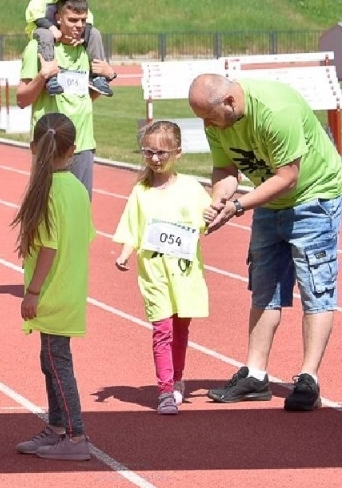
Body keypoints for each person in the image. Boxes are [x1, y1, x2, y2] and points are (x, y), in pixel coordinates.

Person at [190, 73, 342, 411]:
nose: (208, 125)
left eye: (210, 117)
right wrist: (218, 200)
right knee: (264, 286)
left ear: (229, 101)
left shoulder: (275, 110)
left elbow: (288, 177)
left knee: (316, 288)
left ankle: (309, 378)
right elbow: (225, 170)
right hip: (269, 202)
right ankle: (255, 374)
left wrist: (237, 207)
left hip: (313, 196)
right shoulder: (216, 119)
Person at [10, 113, 96, 461]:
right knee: (51, 360)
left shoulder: (48, 192)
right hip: (69, 287)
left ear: (34, 147)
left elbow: (49, 246)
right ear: (73, 150)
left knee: (58, 364)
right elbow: (83, 237)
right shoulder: (76, 188)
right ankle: (57, 428)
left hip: (52, 292)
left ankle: (76, 436)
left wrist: (33, 291)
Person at [114, 121, 210, 415]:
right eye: (148, 152)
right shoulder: (141, 192)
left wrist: (221, 210)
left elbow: (208, 220)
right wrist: (125, 253)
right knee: (162, 330)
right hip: (154, 274)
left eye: (161, 153)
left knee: (180, 330)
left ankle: (177, 378)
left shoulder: (191, 188)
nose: (155, 159)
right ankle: (165, 391)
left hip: (184, 273)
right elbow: (132, 227)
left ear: (177, 153)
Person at [16, 0, 101, 196]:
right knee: (47, 208)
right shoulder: (38, 48)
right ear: (58, 18)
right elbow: (21, 99)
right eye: (72, 20)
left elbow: (88, 95)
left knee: (80, 207)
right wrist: (43, 76)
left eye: (83, 20)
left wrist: (108, 75)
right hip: (50, 143)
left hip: (83, 144)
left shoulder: (85, 48)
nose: (79, 26)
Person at [24, 0, 115, 96]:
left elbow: (88, 18)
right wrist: (51, 28)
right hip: (42, 28)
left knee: (94, 33)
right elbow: (34, 13)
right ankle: (51, 78)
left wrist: (83, 36)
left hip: (64, 29)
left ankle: (97, 76)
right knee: (46, 35)